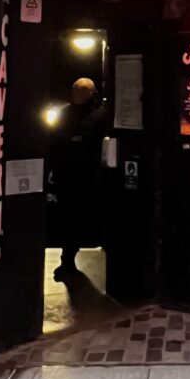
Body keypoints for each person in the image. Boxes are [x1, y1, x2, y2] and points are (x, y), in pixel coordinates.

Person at [48, 78, 110, 283]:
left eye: (81, 90)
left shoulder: (100, 115)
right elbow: (54, 140)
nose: (77, 94)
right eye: (75, 89)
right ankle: (67, 259)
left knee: (78, 217)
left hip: (86, 175)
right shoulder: (66, 113)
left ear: (91, 93)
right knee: (68, 217)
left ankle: (69, 258)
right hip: (66, 173)